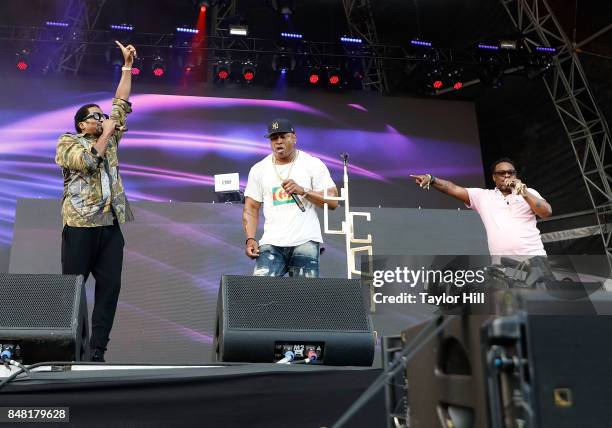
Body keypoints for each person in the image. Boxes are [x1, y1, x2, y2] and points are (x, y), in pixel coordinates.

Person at [55, 41, 137, 362]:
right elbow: (89, 162)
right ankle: (68, 348)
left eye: (102, 115)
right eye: (95, 116)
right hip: (79, 226)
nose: (102, 117)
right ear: (82, 124)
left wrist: (127, 66)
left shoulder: (110, 136)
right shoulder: (67, 142)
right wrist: (107, 132)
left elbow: (121, 101)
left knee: (110, 289)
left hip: (110, 224)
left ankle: (97, 351)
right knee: (73, 292)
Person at [242, 118, 339, 277]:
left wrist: (304, 191)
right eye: (274, 138)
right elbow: (251, 207)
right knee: (259, 295)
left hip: (305, 240)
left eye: (283, 137)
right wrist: (250, 239)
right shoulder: (259, 169)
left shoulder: (312, 164)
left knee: (304, 297)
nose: (278, 142)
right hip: (271, 242)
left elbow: (333, 201)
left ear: (294, 138)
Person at [411, 158, 552, 255]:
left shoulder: (529, 192)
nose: (507, 175)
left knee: (540, 298)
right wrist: (432, 179)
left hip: (534, 260)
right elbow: (452, 188)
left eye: (511, 172)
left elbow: (546, 212)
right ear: (493, 177)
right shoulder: (484, 196)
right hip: (502, 267)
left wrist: (523, 191)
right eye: (502, 173)